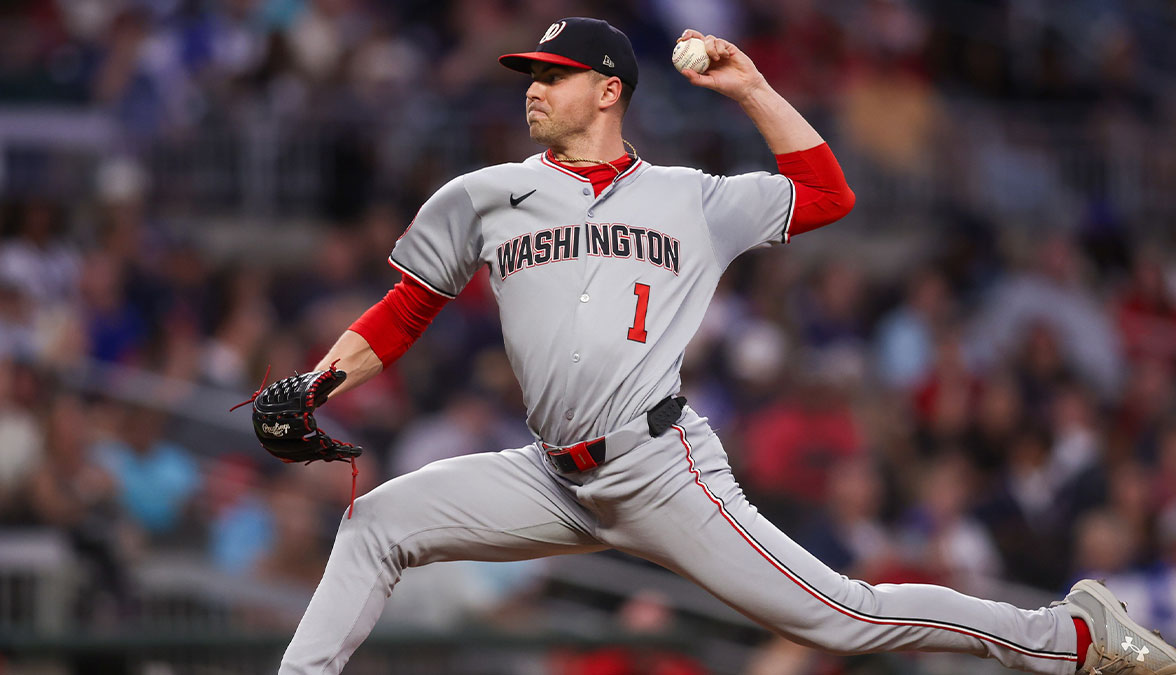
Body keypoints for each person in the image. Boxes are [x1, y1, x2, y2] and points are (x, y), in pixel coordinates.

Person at [278, 18, 1176, 675]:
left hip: (662, 467)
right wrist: (318, 383)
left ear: (608, 89)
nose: (533, 86)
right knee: (375, 526)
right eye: (530, 72)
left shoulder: (690, 196)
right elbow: (407, 305)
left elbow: (826, 194)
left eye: (554, 73)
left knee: (845, 619)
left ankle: (1071, 635)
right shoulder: (483, 195)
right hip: (550, 475)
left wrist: (749, 88)